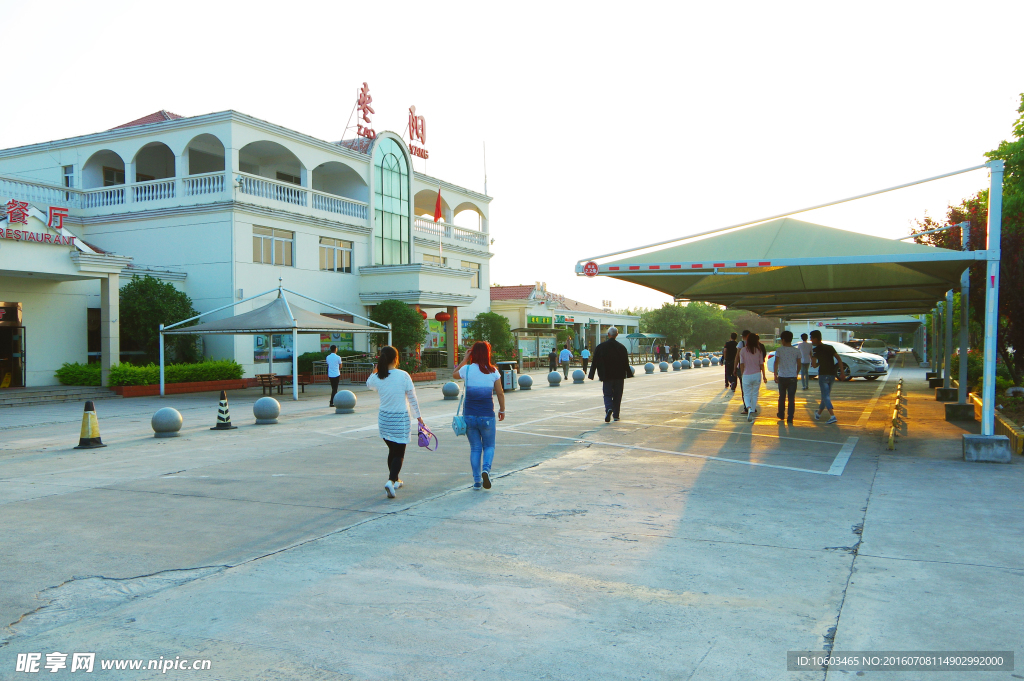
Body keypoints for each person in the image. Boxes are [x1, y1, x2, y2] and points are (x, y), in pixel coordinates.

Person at [366, 346, 425, 499]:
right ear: (396, 359)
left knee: (392, 450)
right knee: (399, 452)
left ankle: (395, 480)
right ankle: (391, 481)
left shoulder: (378, 376)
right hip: (400, 419)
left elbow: (368, 384)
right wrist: (419, 417)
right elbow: (412, 398)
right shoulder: (403, 375)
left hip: (384, 419)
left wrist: (376, 369)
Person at [454, 341, 506, 490]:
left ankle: (477, 481)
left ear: (473, 353)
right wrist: (502, 410)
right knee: (489, 446)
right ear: (487, 354)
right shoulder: (493, 371)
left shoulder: (468, 370)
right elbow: (500, 392)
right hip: (487, 416)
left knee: (475, 448)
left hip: (469, 415)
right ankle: (486, 470)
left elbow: (454, 374)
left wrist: (464, 360)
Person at [588, 326, 633, 422]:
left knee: (607, 394)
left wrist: (591, 374)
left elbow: (594, 361)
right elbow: (626, 362)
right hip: (619, 375)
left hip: (606, 375)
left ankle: (609, 408)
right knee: (618, 395)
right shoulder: (621, 347)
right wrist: (629, 373)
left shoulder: (600, 347)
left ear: (608, 334)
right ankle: (616, 415)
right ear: (617, 334)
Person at [810, 330, 840, 424]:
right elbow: (838, 358)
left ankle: (832, 415)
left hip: (823, 375)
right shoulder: (830, 347)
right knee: (825, 395)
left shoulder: (815, 350)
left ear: (815, 338)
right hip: (831, 374)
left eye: (811, 338)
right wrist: (842, 372)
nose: (811, 340)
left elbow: (814, 365)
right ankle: (818, 414)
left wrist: (813, 360)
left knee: (825, 395)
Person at [737, 332, 767, 422]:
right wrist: (764, 376)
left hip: (746, 374)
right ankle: (753, 410)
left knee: (746, 393)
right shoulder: (759, 351)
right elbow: (761, 364)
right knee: (754, 393)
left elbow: (741, 364)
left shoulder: (742, 350)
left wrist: (742, 374)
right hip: (757, 374)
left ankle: (748, 408)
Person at [773, 331, 801, 423]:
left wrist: (775, 374)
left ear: (783, 340)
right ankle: (790, 417)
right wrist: (796, 373)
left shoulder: (779, 350)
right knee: (791, 398)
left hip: (782, 376)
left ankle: (781, 414)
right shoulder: (796, 350)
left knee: (782, 396)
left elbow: (776, 362)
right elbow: (799, 364)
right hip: (792, 377)